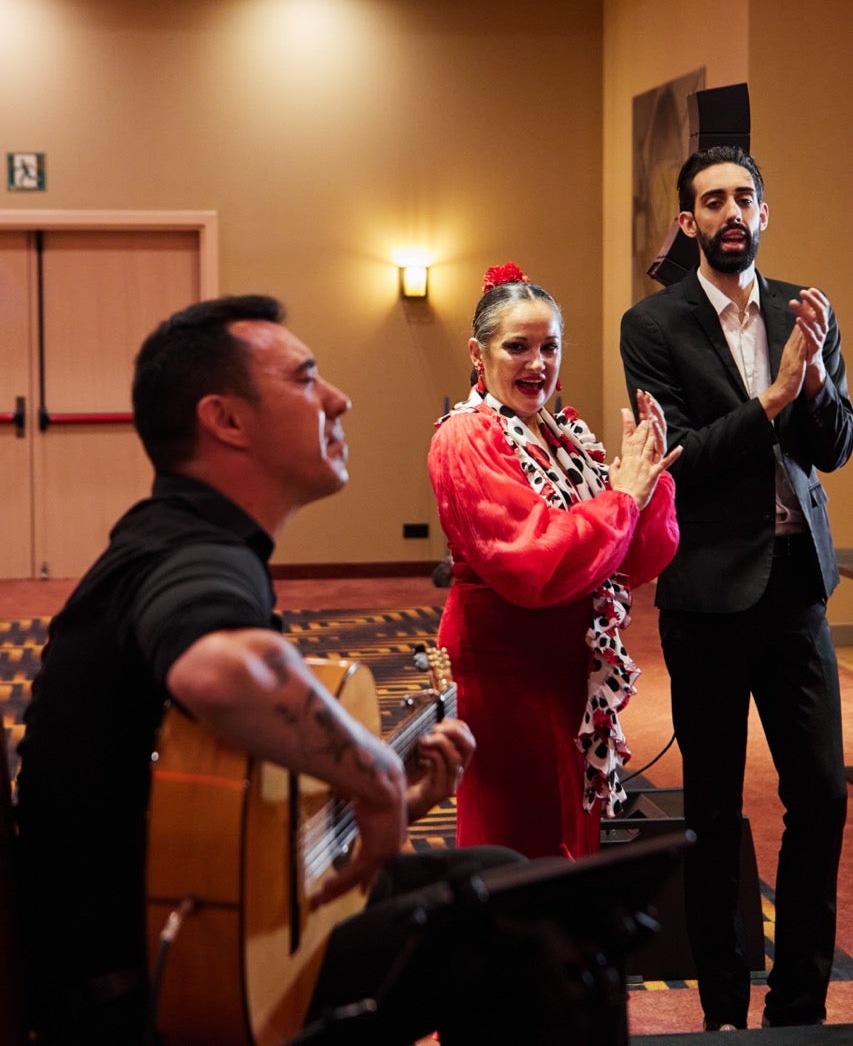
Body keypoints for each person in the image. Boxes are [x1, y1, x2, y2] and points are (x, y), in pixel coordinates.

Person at [14, 293, 587, 1046]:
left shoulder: (184, 538)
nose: (338, 398)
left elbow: (223, 814)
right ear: (227, 420)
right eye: (305, 378)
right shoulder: (190, 554)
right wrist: (375, 774)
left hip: (206, 908)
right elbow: (220, 672)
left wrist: (396, 801)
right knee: (526, 923)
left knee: (504, 875)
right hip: (156, 986)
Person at [619, 146, 852, 1031]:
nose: (730, 213)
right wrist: (773, 398)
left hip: (796, 588)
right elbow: (680, 453)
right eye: (711, 201)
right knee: (712, 810)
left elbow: (832, 443)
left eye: (743, 198)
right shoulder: (652, 325)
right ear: (687, 222)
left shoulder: (806, 308)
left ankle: (796, 1006)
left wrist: (816, 385)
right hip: (708, 594)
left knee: (821, 797)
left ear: (763, 213)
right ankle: (721, 1012)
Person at [427, 262, 680, 862]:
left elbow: (624, 560)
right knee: (519, 834)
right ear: (478, 352)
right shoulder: (466, 437)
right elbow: (534, 562)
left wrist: (646, 484)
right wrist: (623, 498)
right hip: (506, 671)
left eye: (550, 347)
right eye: (517, 347)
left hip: (569, 671)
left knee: (571, 822)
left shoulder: (562, 436)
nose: (537, 364)